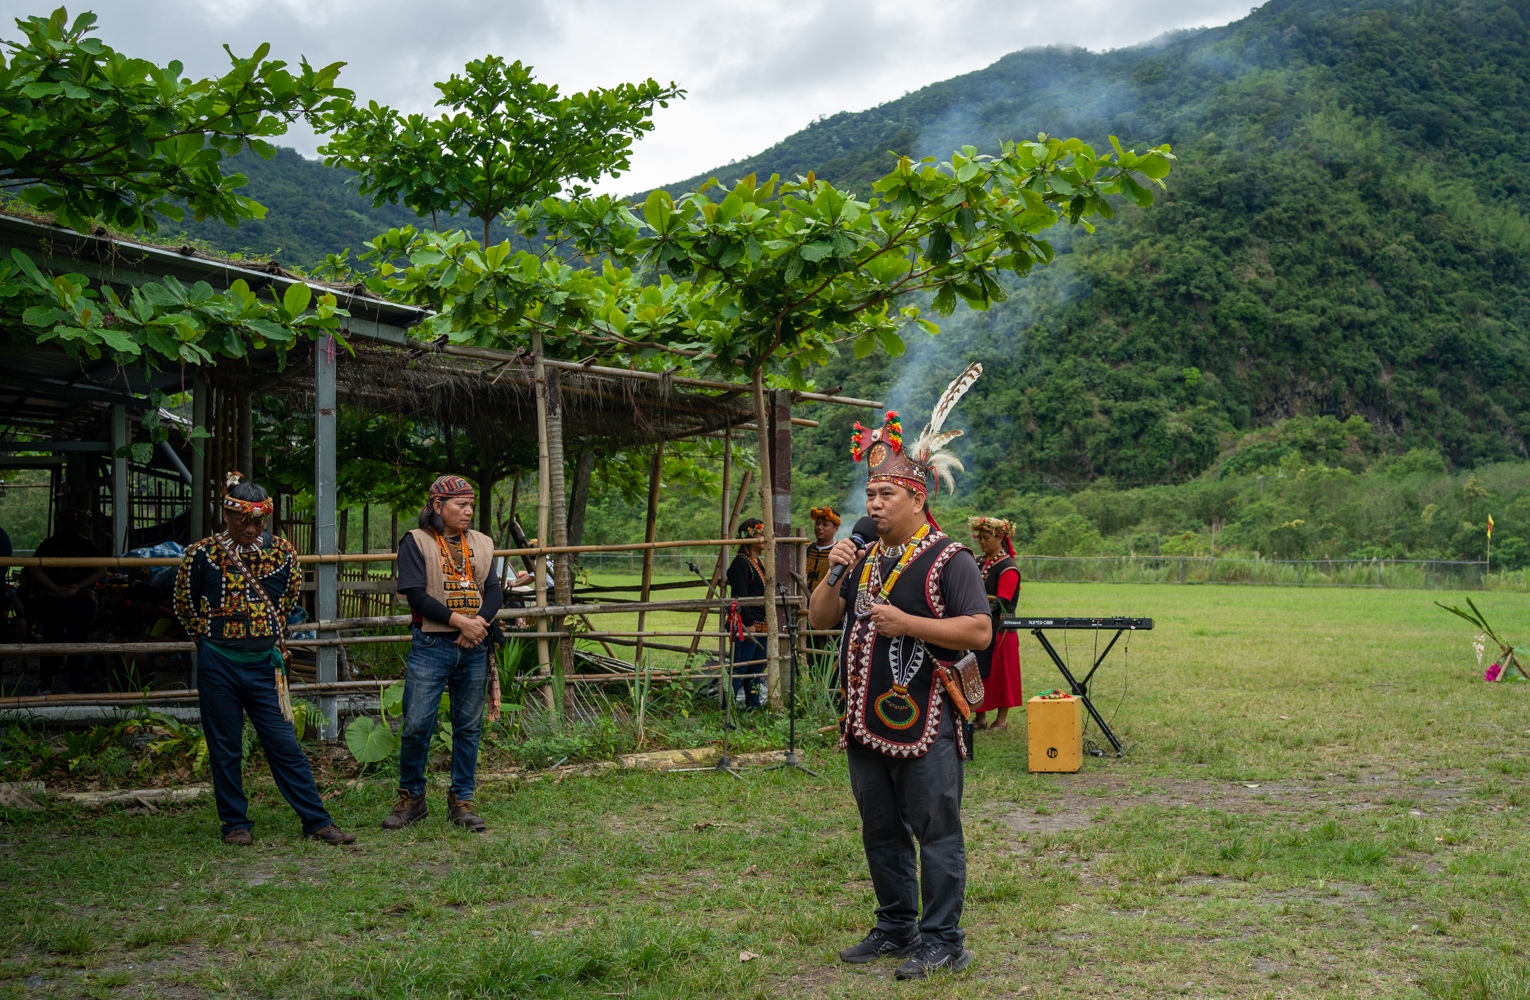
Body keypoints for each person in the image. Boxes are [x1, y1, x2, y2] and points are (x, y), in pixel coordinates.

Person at [809, 364, 991, 981]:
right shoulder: (860, 556)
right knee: (880, 829)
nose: (874, 504)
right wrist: (833, 569)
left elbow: (979, 631)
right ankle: (895, 926)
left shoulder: (950, 558)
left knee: (936, 831)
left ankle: (943, 940)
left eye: (887, 494)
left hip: (927, 722)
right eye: (870, 495)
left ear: (918, 497)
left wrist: (909, 623)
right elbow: (820, 621)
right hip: (864, 719)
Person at [174, 472, 355, 846]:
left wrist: (262, 635)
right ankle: (234, 824)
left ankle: (317, 820)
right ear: (227, 515)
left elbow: (287, 603)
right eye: (243, 520)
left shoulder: (283, 554)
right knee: (225, 746)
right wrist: (208, 641)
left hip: (264, 666)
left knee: (285, 745)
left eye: (258, 522)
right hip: (218, 663)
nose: (251, 528)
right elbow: (185, 605)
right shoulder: (201, 554)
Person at [383, 474, 503, 833]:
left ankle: (461, 801)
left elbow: (494, 590)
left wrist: (478, 624)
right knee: (417, 724)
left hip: (474, 646)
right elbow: (415, 594)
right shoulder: (416, 541)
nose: (468, 512)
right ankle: (412, 799)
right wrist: (461, 623)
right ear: (437, 506)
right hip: (431, 645)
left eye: (471, 505)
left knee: (468, 727)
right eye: (461, 505)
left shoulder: (482, 543)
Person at [25, 509, 107, 694]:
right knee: (73, 643)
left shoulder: (53, 543)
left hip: (67, 597)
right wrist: (68, 587)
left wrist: (61, 587)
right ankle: (70, 689)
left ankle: (48, 687)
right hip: (67, 597)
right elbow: (101, 570)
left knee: (53, 643)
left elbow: (101, 569)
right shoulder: (85, 544)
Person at [968, 517, 1023, 731]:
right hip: (979, 626)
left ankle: (1001, 720)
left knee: (1002, 674)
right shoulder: (978, 562)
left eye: (986, 538)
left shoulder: (1008, 567)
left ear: (999, 538)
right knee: (977, 670)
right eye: (979, 538)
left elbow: (1003, 601)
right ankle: (980, 717)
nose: (981, 542)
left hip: (1001, 628)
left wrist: (977, 597)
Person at [724, 518, 767, 709]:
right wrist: (748, 623)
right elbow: (740, 596)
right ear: (749, 537)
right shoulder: (740, 564)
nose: (764, 538)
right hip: (747, 624)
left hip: (762, 623)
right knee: (740, 667)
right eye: (761, 534)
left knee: (756, 667)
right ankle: (727, 708)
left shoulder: (758, 562)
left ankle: (753, 706)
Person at [804, 505, 841, 594]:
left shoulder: (839, 553)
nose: (819, 527)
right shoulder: (806, 550)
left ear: (835, 529)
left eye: (825, 525)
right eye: (817, 523)